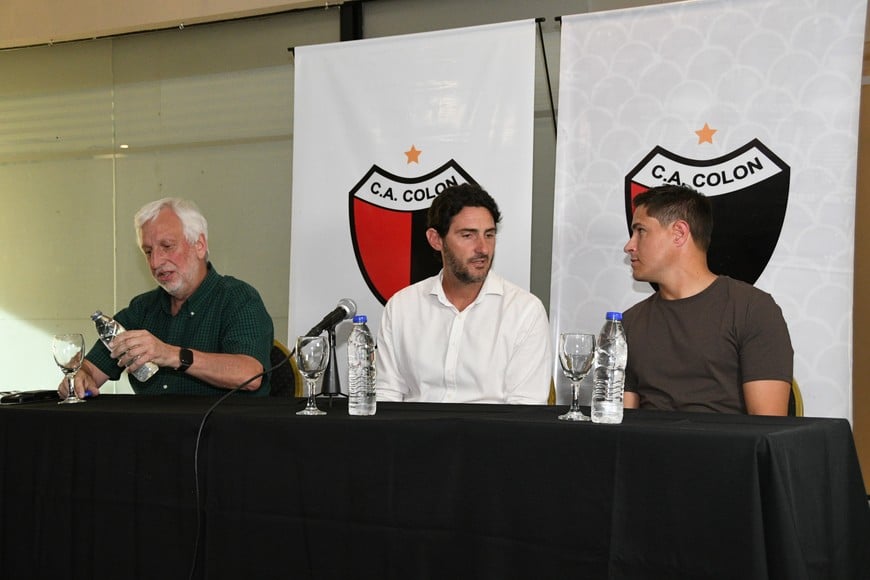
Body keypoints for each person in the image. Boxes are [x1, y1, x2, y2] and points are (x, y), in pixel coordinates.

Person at [58, 198, 274, 397]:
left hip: (222, 434)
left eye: (167, 247)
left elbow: (250, 375)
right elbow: (92, 370)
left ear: (199, 245)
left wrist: (171, 355)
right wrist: (81, 375)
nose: (155, 262)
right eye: (148, 251)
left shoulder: (238, 299)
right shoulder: (142, 309)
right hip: (152, 434)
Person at [621, 184, 793, 415]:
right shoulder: (628, 323)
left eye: (640, 231)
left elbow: (767, 429)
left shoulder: (753, 309)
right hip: (648, 450)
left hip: (730, 450)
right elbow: (621, 425)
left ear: (679, 233)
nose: (629, 246)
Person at [375, 183, 552, 404]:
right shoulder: (402, 306)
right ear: (436, 239)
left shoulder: (524, 311)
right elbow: (386, 395)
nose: (483, 249)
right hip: (414, 436)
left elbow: (526, 410)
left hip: (494, 437)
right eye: (468, 235)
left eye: (489, 235)